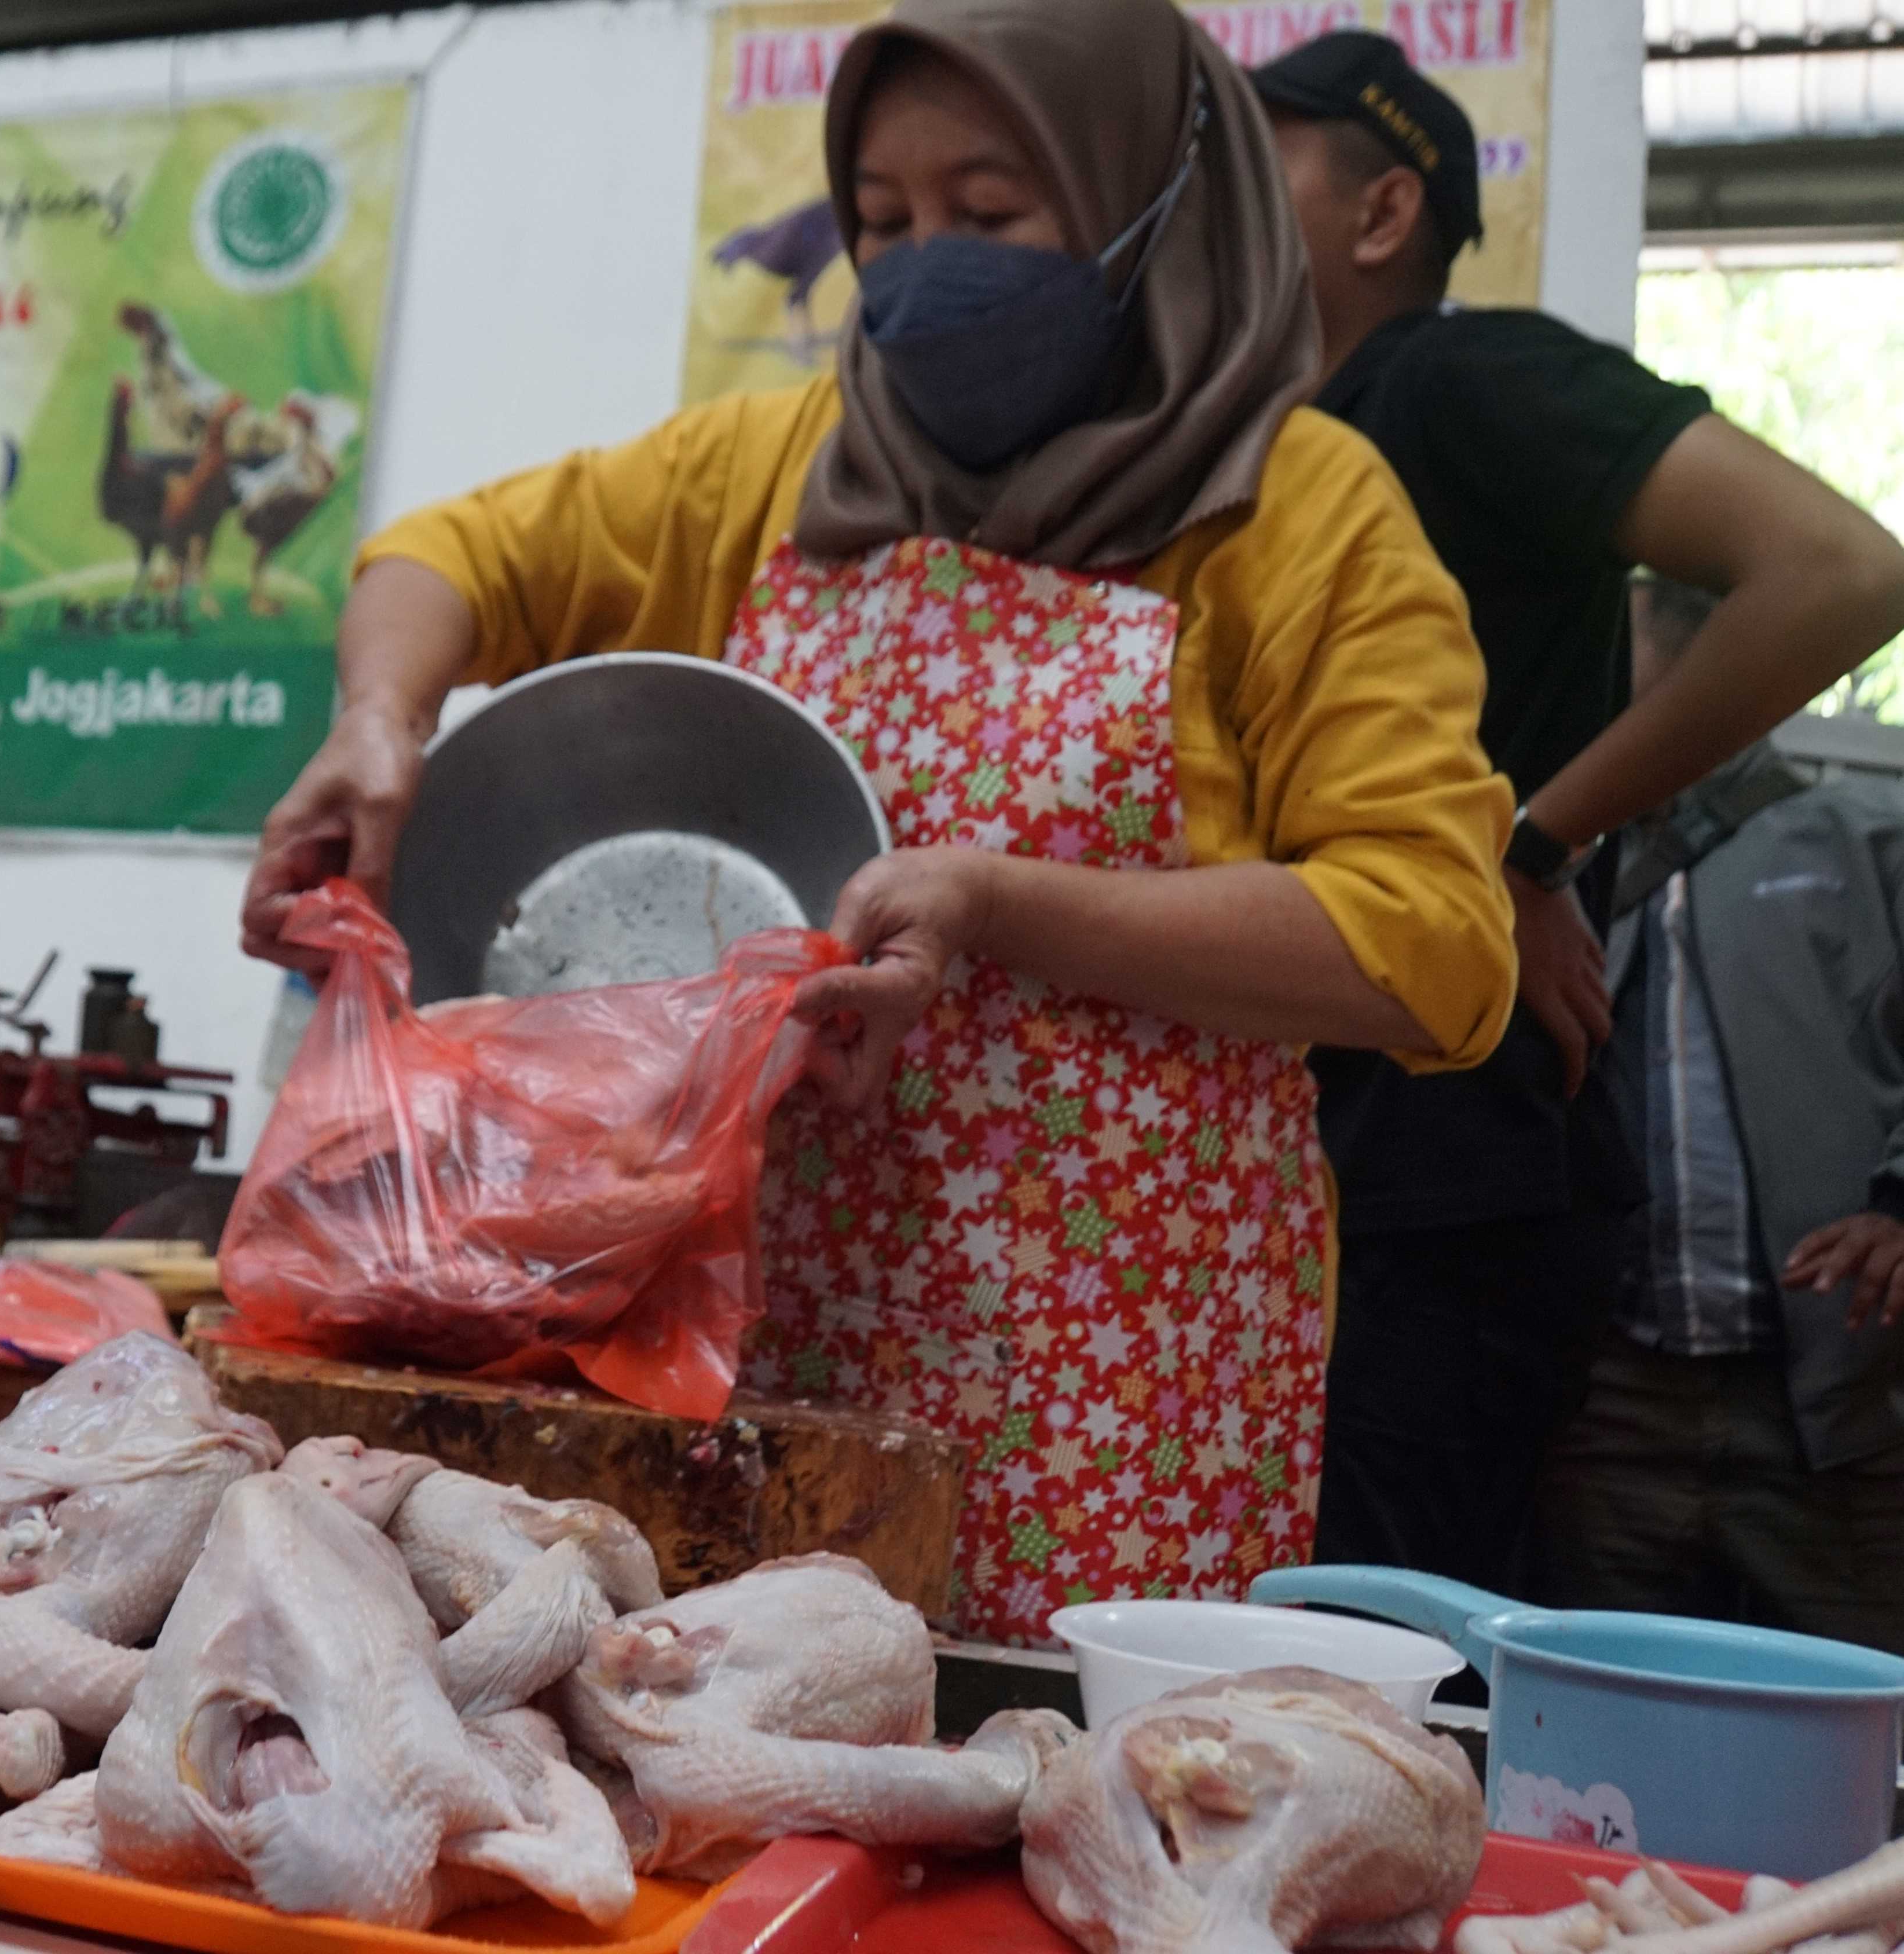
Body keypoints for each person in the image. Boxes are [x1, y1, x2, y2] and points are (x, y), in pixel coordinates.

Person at [241, 0, 1520, 1644]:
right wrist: (375, 720)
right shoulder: (782, 464)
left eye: (989, 216)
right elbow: (452, 556)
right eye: (884, 223)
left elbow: (1426, 944)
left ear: (1150, 196)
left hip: (1104, 1386)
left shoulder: (1298, 513)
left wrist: (998, 902)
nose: (925, 268)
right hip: (743, 1349)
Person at [1254, 32, 1904, 1591]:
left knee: (1368, 1652)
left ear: (1379, 210)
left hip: (1436, 1167)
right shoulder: (1260, 453)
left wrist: (1521, 847)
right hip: (1335, 1151)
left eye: (1252, 156)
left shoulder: (1456, 379)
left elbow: (1838, 571)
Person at [1529, 578, 1904, 1653]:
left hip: (1841, 1406)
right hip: (1615, 1407)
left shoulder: (1860, 840)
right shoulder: (1552, 869)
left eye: (1621, 666)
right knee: (1601, 1738)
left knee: (1865, 1736)